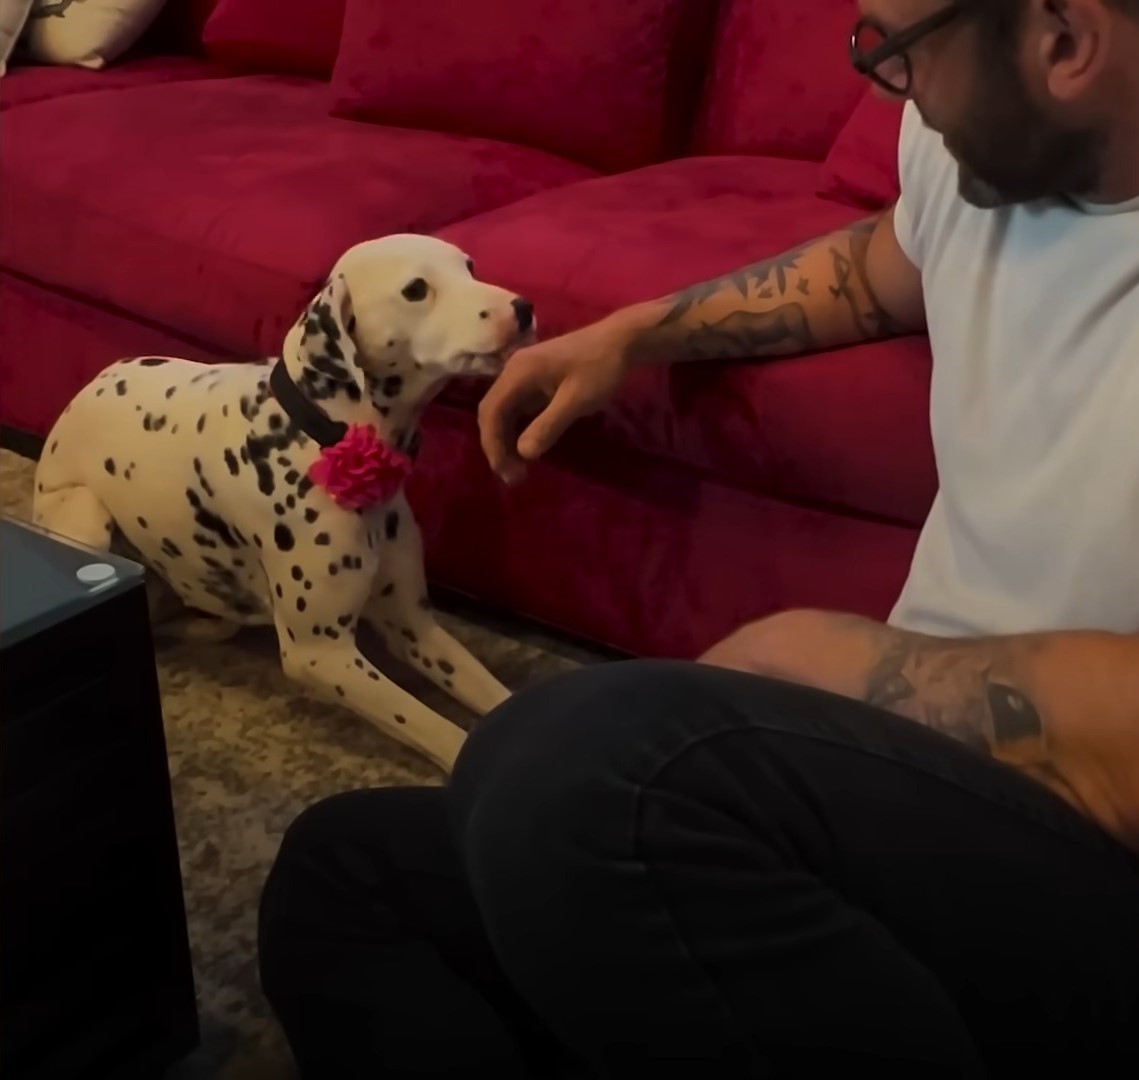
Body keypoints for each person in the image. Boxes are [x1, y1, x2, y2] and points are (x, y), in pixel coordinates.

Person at [257, 1, 1139, 1075]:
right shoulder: (986, 159)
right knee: (347, 876)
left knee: (600, 776)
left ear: (1063, 40)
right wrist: (638, 333)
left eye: (895, 48)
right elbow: (880, 268)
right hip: (930, 798)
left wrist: (846, 664)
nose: (877, 88)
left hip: (1096, 855)